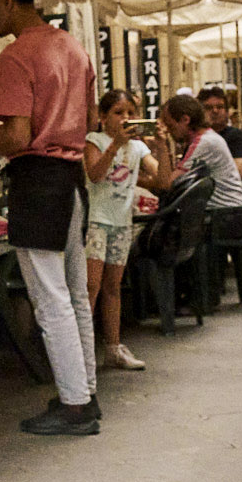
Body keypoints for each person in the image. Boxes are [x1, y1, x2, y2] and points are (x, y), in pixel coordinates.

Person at [0, 0, 99, 437]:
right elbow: (88, 120)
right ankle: (85, 392)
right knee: (74, 294)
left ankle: (74, 406)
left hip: (37, 182)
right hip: (72, 178)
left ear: (7, 0)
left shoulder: (15, 56)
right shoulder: (73, 47)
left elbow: (17, 138)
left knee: (49, 298)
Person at [85, 89, 157, 374]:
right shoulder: (94, 141)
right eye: (118, 113)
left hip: (122, 223)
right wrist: (115, 145)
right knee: (91, 287)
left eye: (130, 113)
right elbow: (95, 174)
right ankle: (82, 351)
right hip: (96, 221)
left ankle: (113, 348)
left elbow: (161, 177)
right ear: (103, 117)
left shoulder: (138, 148)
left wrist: (161, 146)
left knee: (112, 287)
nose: (125, 118)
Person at [154, 93, 242, 211]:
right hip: (223, 212)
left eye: (170, 126)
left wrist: (161, 146)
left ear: (185, 120)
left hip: (227, 213)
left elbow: (166, 185)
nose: (168, 131)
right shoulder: (204, 138)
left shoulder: (204, 143)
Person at [199, 86, 242, 179]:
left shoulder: (239, 138)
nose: (215, 111)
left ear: (227, 112)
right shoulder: (197, 139)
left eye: (220, 107)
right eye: (208, 108)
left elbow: (236, 175)